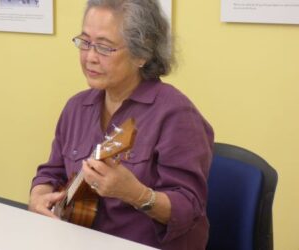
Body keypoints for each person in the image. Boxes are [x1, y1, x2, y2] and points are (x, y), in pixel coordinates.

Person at [28, 0, 214, 249]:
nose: (90, 58)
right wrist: (38, 196)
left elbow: (189, 208)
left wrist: (135, 194)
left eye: (104, 48)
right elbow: (51, 172)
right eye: (85, 43)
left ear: (142, 53)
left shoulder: (176, 114)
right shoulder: (76, 107)